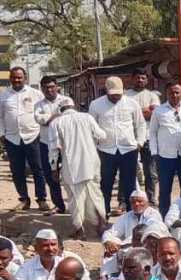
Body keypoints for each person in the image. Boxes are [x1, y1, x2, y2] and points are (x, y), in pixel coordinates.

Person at [50, 98, 107, 238]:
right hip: (92, 163)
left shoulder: (56, 122)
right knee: (95, 195)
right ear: (73, 106)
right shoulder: (87, 117)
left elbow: (53, 149)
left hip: (71, 167)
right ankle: (101, 224)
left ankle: (79, 229)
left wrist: (53, 168)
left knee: (75, 198)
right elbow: (102, 136)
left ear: (60, 109)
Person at [89, 76, 146, 216]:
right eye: (113, 95)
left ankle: (131, 216)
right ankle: (104, 215)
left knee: (129, 185)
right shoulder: (96, 105)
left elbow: (140, 124)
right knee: (105, 185)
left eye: (118, 94)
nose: (116, 97)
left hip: (129, 150)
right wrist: (93, 147)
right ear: (106, 91)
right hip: (105, 150)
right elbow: (91, 128)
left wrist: (140, 142)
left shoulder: (132, 104)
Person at [0, 67, 49, 212]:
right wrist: (2, 134)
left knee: (38, 169)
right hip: (12, 138)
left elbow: (44, 113)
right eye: (14, 77)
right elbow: (0, 117)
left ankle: (41, 200)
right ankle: (24, 199)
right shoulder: (3, 96)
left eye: (19, 77)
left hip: (33, 136)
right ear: (10, 78)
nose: (17, 80)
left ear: (25, 78)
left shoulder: (36, 94)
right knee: (17, 170)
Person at [149, 83, 181, 216]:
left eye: (177, 92)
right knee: (165, 189)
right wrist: (155, 153)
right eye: (171, 92)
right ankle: (164, 216)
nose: (174, 95)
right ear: (167, 94)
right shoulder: (159, 111)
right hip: (165, 156)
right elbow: (152, 133)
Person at [32, 76, 69, 214]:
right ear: (42, 89)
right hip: (46, 144)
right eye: (46, 87)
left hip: (66, 145)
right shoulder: (38, 105)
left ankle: (74, 205)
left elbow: (69, 118)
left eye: (52, 86)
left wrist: (50, 117)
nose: (49, 90)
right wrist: (57, 115)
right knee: (50, 176)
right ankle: (59, 205)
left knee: (70, 176)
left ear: (57, 86)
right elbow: (42, 121)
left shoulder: (67, 100)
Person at [125, 69, 161, 202]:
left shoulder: (152, 96)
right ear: (132, 79)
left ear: (147, 80)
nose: (140, 80)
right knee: (128, 170)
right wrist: (144, 111)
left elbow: (153, 114)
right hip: (129, 138)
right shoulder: (125, 96)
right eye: (138, 78)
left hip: (148, 137)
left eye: (143, 78)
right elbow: (125, 115)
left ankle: (151, 199)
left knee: (150, 171)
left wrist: (134, 113)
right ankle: (126, 201)